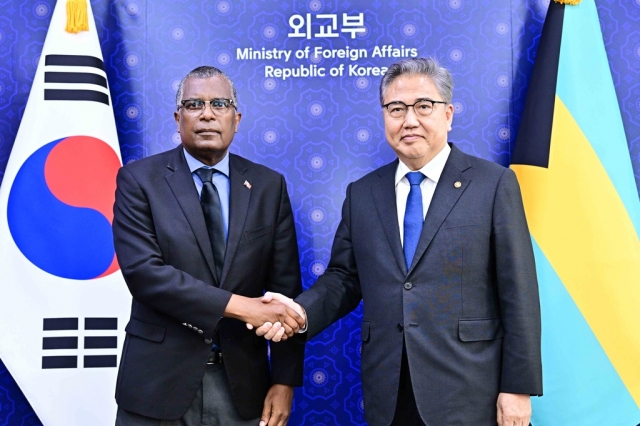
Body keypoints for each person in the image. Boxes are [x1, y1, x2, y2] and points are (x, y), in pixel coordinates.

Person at [253, 57, 543, 426]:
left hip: (471, 391)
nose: (409, 120)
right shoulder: (363, 193)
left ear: (449, 113)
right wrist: (300, 312)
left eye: (424, 106)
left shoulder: (493, 184)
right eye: (396, 108)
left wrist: (518, 387)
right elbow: (344, 278)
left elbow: (519, 292)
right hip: (389, 392)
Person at [112, 66, 305, 426]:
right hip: (156, 386)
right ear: (177, 117)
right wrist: (242, 307)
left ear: (236, 118)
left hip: (243, 389)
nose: (206, 113)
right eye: (193, 104)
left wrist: (283, 380)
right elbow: (145, 275)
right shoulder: (139, 180)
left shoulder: (268, 186)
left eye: (219, 103)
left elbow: (286, 291)